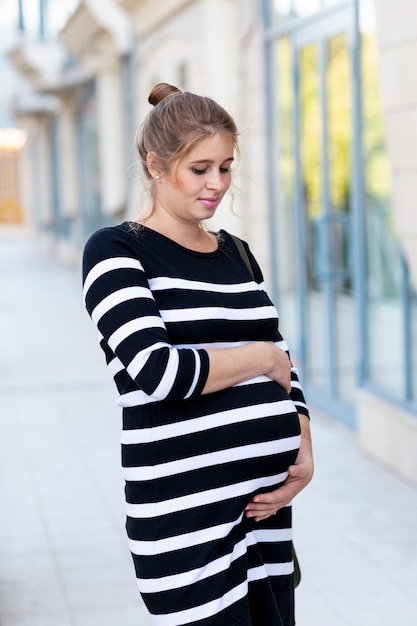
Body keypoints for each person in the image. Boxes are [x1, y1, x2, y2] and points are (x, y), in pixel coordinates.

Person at [82, 82, 313, 626]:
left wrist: (303, 451)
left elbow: (285, 361)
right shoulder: (116, 250)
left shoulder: (237, 252)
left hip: (263, 513)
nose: (216, 185)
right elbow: (159, 371)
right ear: (157, 166)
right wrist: (258, 358)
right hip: (186, 522)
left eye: (226, 167)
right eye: (200, 168)